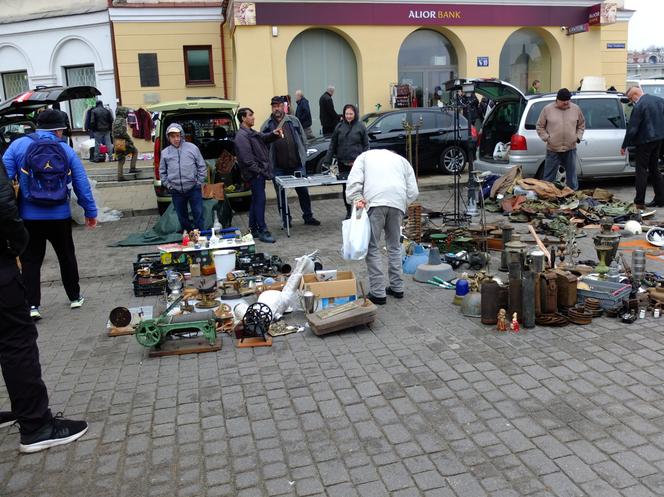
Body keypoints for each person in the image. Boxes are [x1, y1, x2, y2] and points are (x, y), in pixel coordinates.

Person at [0, 159, 88, 454]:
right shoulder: (60, 149)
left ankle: (37, 302)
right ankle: (37, 426)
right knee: (16, 341)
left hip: (32, 217)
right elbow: (3, 203)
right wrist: (15, 241)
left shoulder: (18, 148)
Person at [2, 109, 97, 321]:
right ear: (59, 130)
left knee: (31, 260)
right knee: (66, 256)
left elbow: (4, 178)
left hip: (28, 216)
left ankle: (32, 305)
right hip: (59, 216)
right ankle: (75, 297)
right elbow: (81, 183)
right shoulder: (65, 149)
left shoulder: (17, 146)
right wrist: (90, 211)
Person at [345, 149, 419, 305]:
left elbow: (353, 183)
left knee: (372, 248)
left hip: (375, 203)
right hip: (397, 203)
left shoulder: (363, 157)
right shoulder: (401, 160)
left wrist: (357, 198)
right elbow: (413, 191)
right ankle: (397, 287)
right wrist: (402, 204)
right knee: (395, 246)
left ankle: (378, 293)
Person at [262, 96, 321, 229]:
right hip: (278, 168)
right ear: (272, 108)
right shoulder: (266, 125)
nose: (276, 108)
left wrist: (303, 155)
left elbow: (303, 139)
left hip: (297, 165)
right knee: (281, 195)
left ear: (284, 106)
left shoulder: (293, 121)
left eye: (278, 106)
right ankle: (286, 220)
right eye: (274, 106)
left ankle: (308, 216)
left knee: (303, 192)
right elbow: (262, 145)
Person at [235, 107, 282, 243]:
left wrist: (274, 133)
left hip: (257, 173)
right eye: (250, 115)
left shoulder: (251, 132)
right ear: (243, 118)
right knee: (260, 201)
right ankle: (262, 230)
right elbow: (247, 160)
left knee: (256, 201)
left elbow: (264, 137)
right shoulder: (241, 136)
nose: (253, 117)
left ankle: (253, 229)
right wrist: (260, 172)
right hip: (255, 174)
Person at [621, 86, 664, 209]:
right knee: (655, 169)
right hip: (658, 140)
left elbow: (633, 128)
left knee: (641, 171)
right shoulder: (659, 100)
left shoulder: (640, 105)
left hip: (644, 142)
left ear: (635, 94)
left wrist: (625, 145)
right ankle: (660, 199)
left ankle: (639, 201)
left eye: (630, 99)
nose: (631, 101)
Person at [324, 104, 369, 219]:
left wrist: (364, 161)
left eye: (351, 114)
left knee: (359, 188)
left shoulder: (361, 127)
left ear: (355, 114)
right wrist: (327, 160)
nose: (348, 116)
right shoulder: (339, 127)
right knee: (347, 189)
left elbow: (366, 145)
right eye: (347, 114)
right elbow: (333, 144)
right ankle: (349, 211)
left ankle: (360, 209)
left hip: (357, 164)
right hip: (343, 163)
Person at [159, 123, 207, 231]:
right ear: (168, 137)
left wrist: (199, 182)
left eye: (178, 135)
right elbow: (162, 171)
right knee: (182, 217)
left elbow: (201, 166)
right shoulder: (165, 153)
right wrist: (168, 185)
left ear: (182, 135)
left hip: (193, 188)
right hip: (176, 190)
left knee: (198, 214)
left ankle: (201, 236)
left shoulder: (192, 148)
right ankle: (189, 237)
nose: (176, 139)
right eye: (172, 136)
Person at [535, 88, 585, 190]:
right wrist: (547, 138)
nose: (566, 102)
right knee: (548, 177)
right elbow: (540, 126)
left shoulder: (576, 109)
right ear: (557, 99)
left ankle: (573, 196)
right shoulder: (547, 109)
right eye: (564, 100)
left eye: (568, 100)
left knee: (572, 177)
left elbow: (581, 125)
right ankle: (547, 196)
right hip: (553, 149)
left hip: (570, 148)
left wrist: (578, 137)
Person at [112, 106, 139, 181]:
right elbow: (123, 133)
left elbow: (113, 133)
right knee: (135, 151)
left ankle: (120, 176)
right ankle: (132, 168)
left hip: (116, 141)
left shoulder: (114, 121)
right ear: (123, 112)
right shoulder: (122, 120)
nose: (127, 114)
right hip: (122, 141)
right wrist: (129, 140)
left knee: (121, 159)